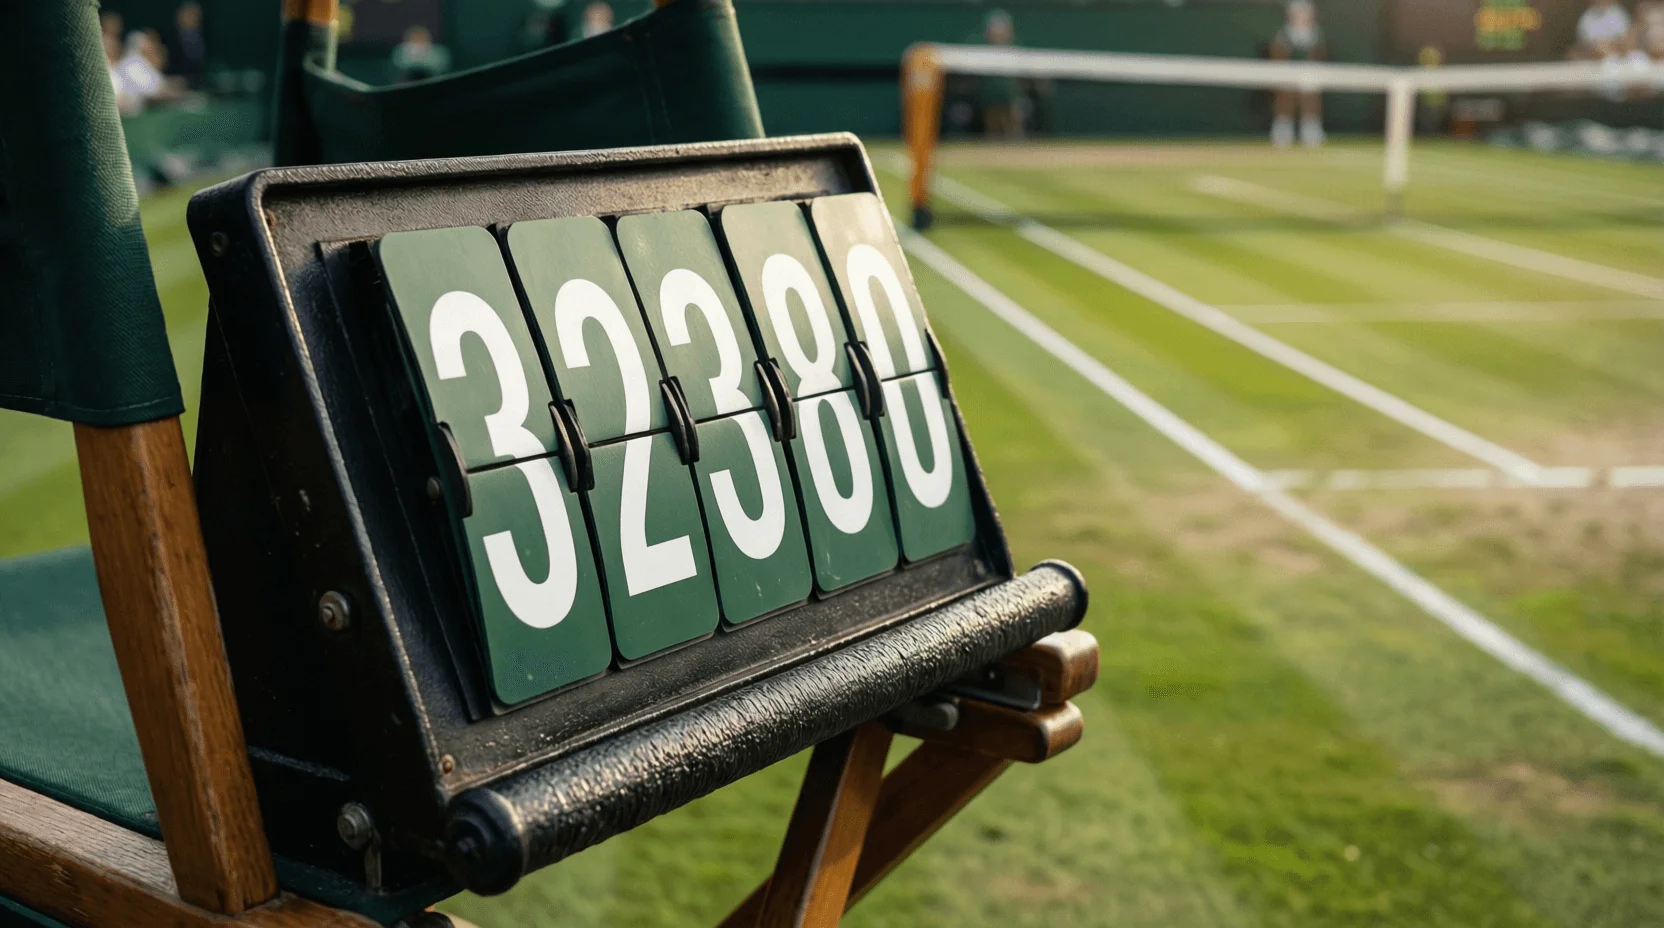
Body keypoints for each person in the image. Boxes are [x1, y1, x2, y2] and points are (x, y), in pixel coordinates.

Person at [1269, 0, 1327, 148]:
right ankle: (1282, 132)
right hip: (1286, 75)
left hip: (1309, 74)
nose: (1302, 16)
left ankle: (1311, 132)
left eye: (1305, 13)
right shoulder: (1283, 35)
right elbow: (1276, 54)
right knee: (1285, 98)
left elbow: (1320, 55)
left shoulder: (1316, 34)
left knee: (1310, 98)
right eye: (1299, 13)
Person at [980, 9, 1023, 139]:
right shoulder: (982, 53)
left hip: (1011, 98)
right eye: (995, 30)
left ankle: (1016, 143)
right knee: (993, 122)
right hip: (989, 97)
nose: (999, 34)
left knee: (1015, 114)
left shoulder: (1016, 51)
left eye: (1003, 31)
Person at [1569, 0, 1634, 60]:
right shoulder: (1587, 17)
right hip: (1595, 55)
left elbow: (1626, 38)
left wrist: (1612, 46)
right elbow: (1585, 43)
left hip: (1619, 52)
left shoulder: (1619, 13)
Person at [169, 2, 207, 90]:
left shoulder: (203, 37)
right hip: (176, 86)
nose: (193, 18)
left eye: (196, 15)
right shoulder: (169, 40)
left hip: (199, 87)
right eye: (189, 14)